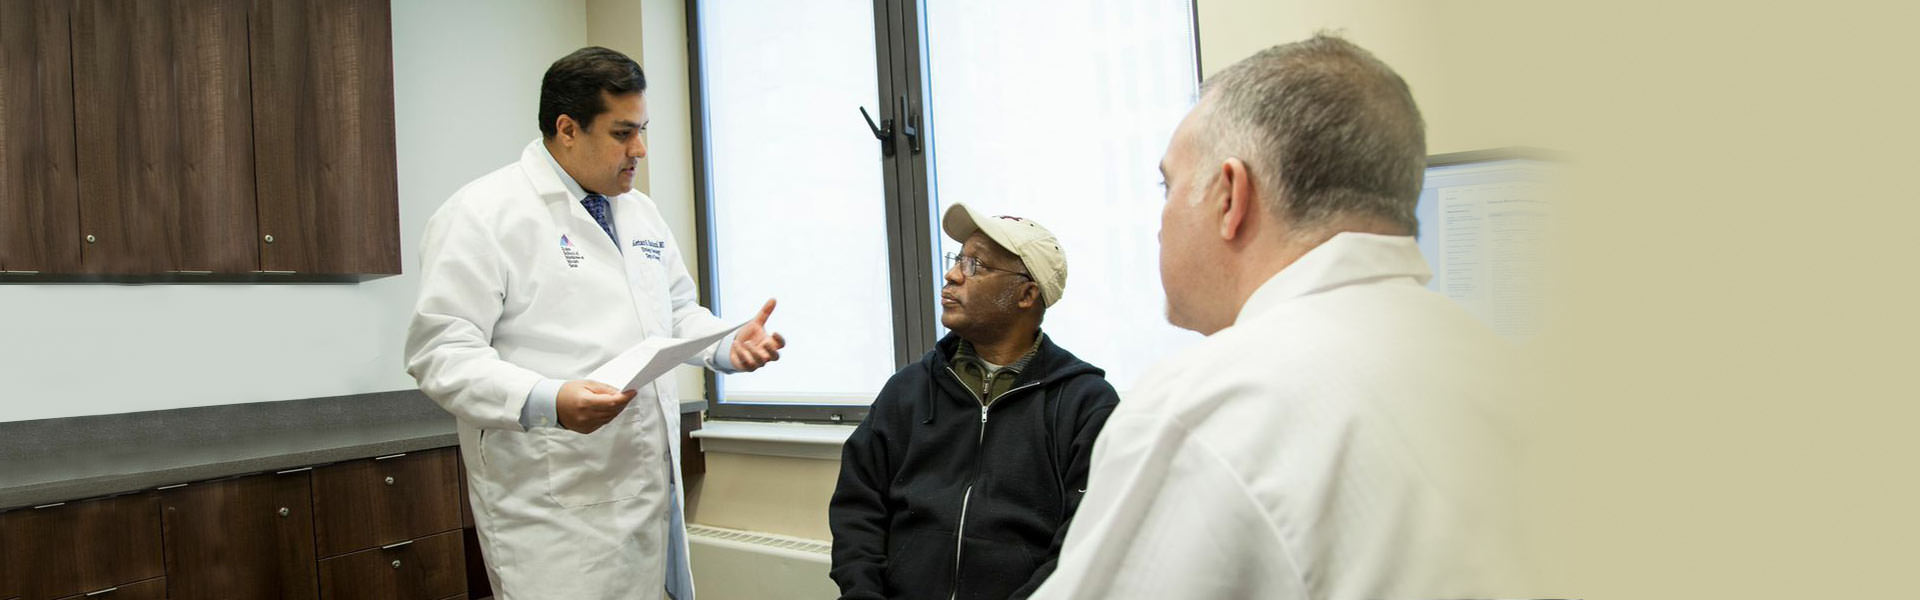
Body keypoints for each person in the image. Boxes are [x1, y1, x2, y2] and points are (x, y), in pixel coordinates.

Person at [1027, 35, 1525, 599]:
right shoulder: (1508, 377)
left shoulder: (1209, 405)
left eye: (1168, 185)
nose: (1161, 221)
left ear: (1231, 196)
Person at [404, 47, 786, 599]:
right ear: (566, 129)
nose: (641, 150)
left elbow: (675, 311)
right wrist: (548, 399)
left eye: (643, 130)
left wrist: (728, 345)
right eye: (623, 133)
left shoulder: (638, 211)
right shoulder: (482, 215)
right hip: (554, 513)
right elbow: (441, 352)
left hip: (646, 491)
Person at [829, 204, 1120, 600]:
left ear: (1026, 294)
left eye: (976, 265)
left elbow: (1085, 544)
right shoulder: (909, 390)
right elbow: (857, 510)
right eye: (957, 259)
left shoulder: (1085, 404)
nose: (952, 275)